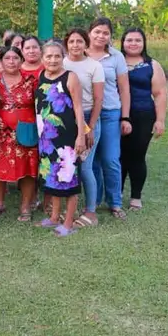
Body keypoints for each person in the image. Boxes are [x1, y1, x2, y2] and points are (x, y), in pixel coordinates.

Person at [34, 41, 87, 237]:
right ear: (42, 58)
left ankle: (68, 223)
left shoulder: (70, 77)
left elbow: (79, 108)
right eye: (48, 56)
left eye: (57, 56)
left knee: (68, 178)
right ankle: (54, 217)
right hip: (47, 139)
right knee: (53, 177)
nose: (53, 60)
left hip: (67, 138)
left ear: (63, 57)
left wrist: (81, 136)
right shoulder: (41, 75)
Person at [87, 17, 131, 220]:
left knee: (111, 159)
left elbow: (124, 89)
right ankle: (94, 200)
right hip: (87, 113)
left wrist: (125, 117)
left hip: (110, 112)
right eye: (97, 31)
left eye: (105, 33)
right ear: (90, 33)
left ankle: (115, 202)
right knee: (92, 160)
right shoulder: (80, 54)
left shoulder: (116, 56)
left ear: (110, 36)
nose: (101, 36)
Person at [120, 28, 168, 211]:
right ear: (123, 42)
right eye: (129, 40)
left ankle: (135, 196)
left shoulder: (152, 65)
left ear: (144, 43)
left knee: (137, 156)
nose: (133, 43)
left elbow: (160, 93)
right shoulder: (115, 61)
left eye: (137, 40)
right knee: (118, 156)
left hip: (143, 115)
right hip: (117, 115)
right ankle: (116, 194)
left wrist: (160, 120)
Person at [0, 46, 39, 221]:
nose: (11, 61)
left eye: (16, 58)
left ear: (21, 60)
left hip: (26, 132)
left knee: (28, 170)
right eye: (7, 58)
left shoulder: (31, 80)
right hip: (0, 133)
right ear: (0, 61)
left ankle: (25, 206)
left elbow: (40, 104)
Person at [63, 28, 104, 228]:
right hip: (66, 118)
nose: (75, 45)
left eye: (79, 41)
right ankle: (67, 208)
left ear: (86, 44)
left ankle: (90, 211)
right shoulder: (61, 62)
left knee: (86, 167)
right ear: (66, 44)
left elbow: (98, 99)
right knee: (67, 164)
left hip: (87, 117)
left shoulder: (94, 66)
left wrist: (91, 127)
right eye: (71, 41)